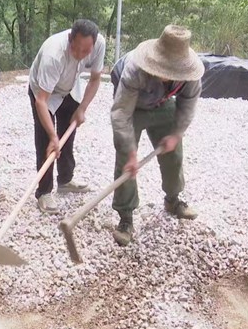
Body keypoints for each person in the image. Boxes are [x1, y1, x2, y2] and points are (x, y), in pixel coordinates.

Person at [109, 25, 205, 246]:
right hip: (131, 105)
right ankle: (125, 217)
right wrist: (131, 150)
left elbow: (188, 106)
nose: (167, 75)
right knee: (125, 160)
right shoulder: (135, 68)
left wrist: (176, 134)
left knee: (174, 154)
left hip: (162, 103)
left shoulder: (191, 74)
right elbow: (121, 112)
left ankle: (173, 200)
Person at [28, 19, 105, 213]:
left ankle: (65, 179)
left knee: (68, 135)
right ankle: (44, 192)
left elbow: (95, 79)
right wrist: (53, 137)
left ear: (94, 44)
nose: (80, 55)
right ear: (70, 38)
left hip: (69, 87)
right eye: (76, 49)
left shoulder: (99, 45)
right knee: (46, 141)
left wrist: (82, 108)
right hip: (43, 92)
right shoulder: (53, 54)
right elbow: (42, 101)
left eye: (85, 52)